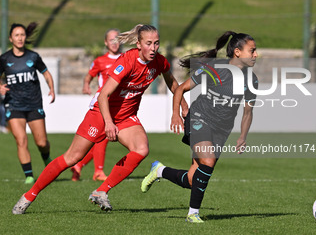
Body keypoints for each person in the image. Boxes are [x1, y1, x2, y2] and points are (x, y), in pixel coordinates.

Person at [12, 24, 188, 214]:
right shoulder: (127, 61)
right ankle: (29, 195)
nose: (153, 48)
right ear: (138, 44)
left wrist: (181, 107)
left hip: (126, 116)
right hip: (100, 113)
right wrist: (109, 123)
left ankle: (101, 191)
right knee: (72, 157)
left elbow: (172, 82)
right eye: (148, 43)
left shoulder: (159, 62)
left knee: (141, 149)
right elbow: (103, 94)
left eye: (156, 43)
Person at [141, 31, 259, 223]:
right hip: (199, 118)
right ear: (237, 52)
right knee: (209, 160)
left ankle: (159, 171)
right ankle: (192, 214)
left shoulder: (251, 81)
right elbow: (181, 89)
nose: (255, 55)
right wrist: (175, 114)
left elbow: (247, 112)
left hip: (222, 130)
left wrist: (242, 136)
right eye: (252, 51)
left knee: (192, 179)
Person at [0, 22, 55, 184]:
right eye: (16, 35)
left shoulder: (33, 57)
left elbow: (46, 73)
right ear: (11, 38)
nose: (20, 38)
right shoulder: (4, 59)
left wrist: (51, 89)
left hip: (33, 104)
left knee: (42, 142)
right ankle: (29, 176)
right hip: (13, 105)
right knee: (21, 140)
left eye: (22, 35)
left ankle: (46, 158)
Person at [70, 28, 122, 182]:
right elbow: (89, 75)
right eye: (111, 40)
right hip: (103, 103)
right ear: (106, 42)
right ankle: (98, 172)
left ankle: (78, 165)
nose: (114, 43)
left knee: (100, 138)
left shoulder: (125, 59)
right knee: (103, 137)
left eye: (117, 39)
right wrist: (86, 85)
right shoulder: (100, 61)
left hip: (118, 104)